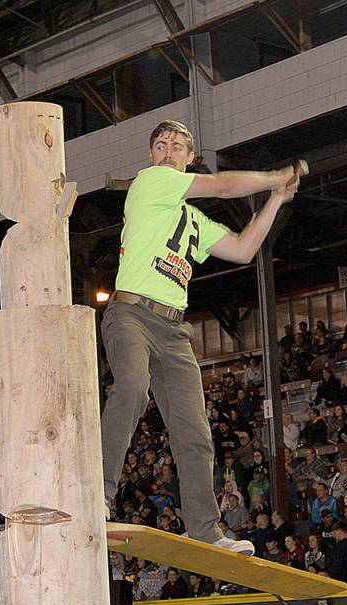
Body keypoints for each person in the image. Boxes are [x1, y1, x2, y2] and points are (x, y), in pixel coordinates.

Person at [99, 119, 301, 555]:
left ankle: (206, 529)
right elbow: (225, 185)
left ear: (189, 157)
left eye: (177, 147)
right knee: (132, 387)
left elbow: (245, 249)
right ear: (152, 156)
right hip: (131, 313)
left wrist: (276, 200)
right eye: (160, 145)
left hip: (173, 330)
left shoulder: (192, 219)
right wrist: (272, 177)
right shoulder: (150, 184)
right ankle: (96, 496)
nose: (167, 152)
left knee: (195, 431)